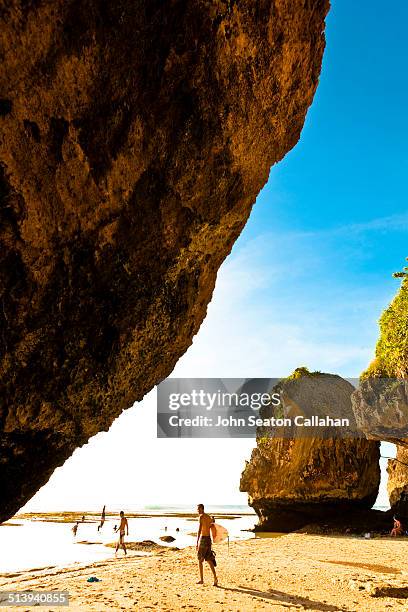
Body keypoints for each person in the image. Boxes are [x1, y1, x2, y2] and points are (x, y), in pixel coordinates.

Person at [196, 504, 218, 586]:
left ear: (202, 509)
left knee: (200, 560)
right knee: (209, 559)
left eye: (198, 509)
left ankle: (201, 580)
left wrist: (197, 541)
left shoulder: (201, 517)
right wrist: (213, 521)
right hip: (209, 540)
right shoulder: (209, 517)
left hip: (203, 539)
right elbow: (212, 527)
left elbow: (199, 530)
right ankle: (215, 578)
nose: (197, 511)